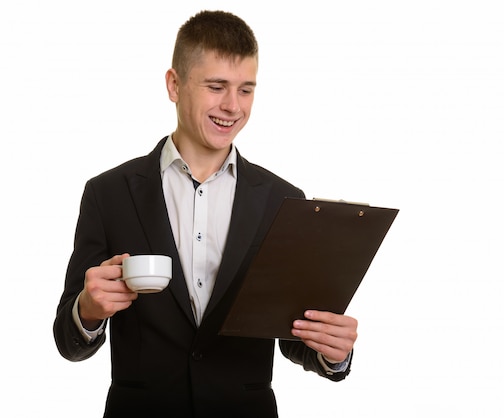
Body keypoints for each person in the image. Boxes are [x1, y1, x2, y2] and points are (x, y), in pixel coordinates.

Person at [53, 10, 358, 418]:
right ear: (174, 85)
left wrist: (332, 351)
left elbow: (293, 337)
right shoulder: (107, 194)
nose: (232, 106)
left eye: (246, 90)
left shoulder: (283, 200)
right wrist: (87, 310)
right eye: (217, 86)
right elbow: (67, 338)